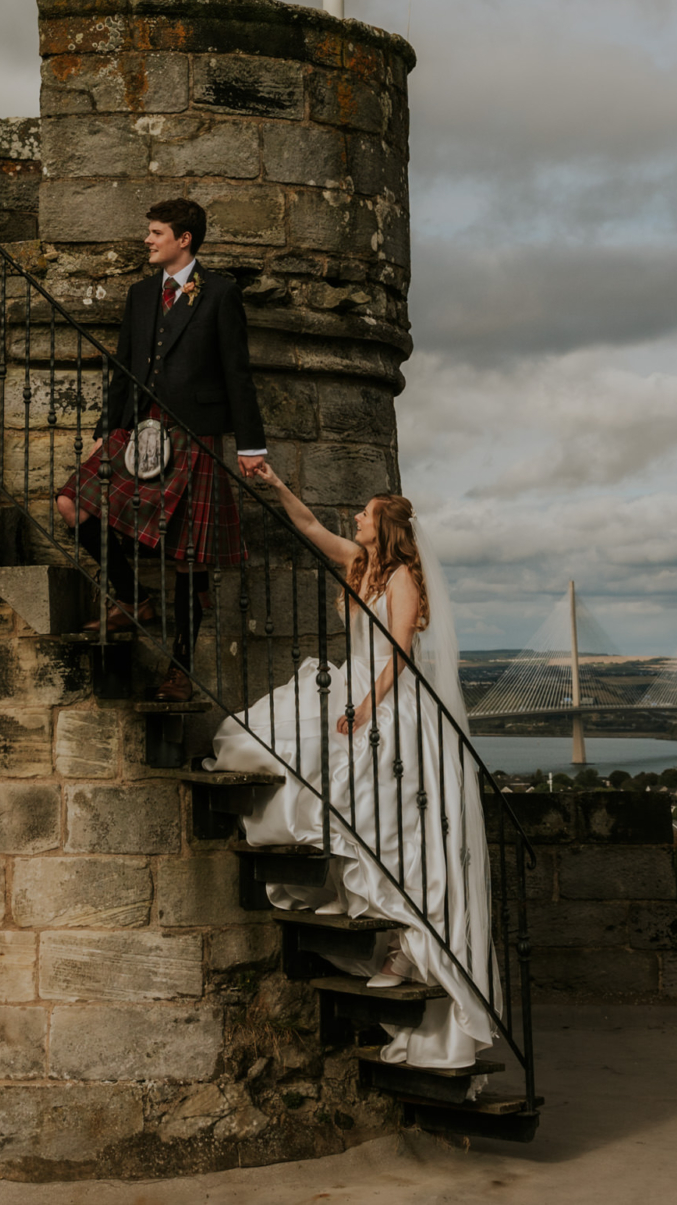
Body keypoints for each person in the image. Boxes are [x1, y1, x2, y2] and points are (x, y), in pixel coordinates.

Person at [208, 463, 498, 1072]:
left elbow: (396, 655)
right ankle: (367, 907)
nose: (356, 518)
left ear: (384, 528)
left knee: (389, 821)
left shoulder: (402, 581)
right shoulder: (359, 565)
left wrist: (366, 707)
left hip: (386, 697)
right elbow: (310, 525)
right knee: (258, 739)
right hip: (352, 690)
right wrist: (277, 482)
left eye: (365, 514)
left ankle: (406, 946)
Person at [56, 197, 267, 700]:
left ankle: (180, 671)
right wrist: (110, 427)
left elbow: (238, 371)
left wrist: (251, 444)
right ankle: (133, 600)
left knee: (188, 557)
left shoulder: (219, 293)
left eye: (156, 232)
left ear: (183, 239)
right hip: (140, 429)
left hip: (194, 432)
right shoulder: (142, 293)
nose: (148, 240)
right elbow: (125, 363)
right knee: (72, 503)